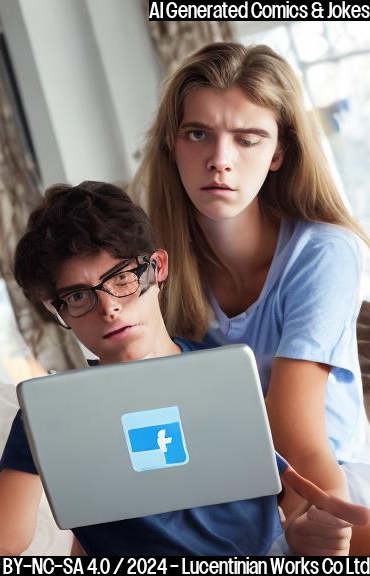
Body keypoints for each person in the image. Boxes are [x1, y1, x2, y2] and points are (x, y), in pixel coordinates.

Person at [0, 182, 370, 569]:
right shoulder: (52, 416)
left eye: (121, 279)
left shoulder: (224, 377)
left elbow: (293, 508)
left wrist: (305, 537)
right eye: (78, 296)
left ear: (158, 269)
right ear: (60, 313)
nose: (108, 307)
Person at [135, 43, 370, 533]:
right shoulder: (153, 269)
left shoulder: (323, 252)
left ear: (279, 152)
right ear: (172, 144)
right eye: (198, 134)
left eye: (248, 139)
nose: (220, 160)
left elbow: (299, 441)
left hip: (327, 486)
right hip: (216, 493)